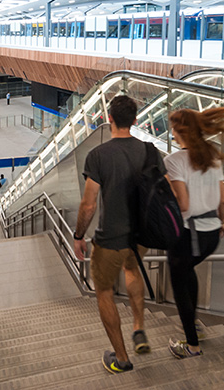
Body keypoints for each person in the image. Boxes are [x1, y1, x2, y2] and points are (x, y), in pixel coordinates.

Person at [74, 95, 166, 374]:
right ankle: (139, 328)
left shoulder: (99, 156)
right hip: (140, 237)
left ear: (109, 118)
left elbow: (89, 204)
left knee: (103, 290)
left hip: (110, 239)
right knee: (133, 271)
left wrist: (79, 236)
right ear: (135, 120)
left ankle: (122, 358)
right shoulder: (151, 152)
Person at [164, 108, 224, 359]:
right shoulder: (212, 156)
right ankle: (194, 325)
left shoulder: (174, 161)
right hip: (211, 235)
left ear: (178, 131)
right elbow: (223, 201)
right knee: (188, 272)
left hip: (186, 236)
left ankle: (192, 346)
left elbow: (182, 204)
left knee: (180, 285)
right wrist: (220, 222)